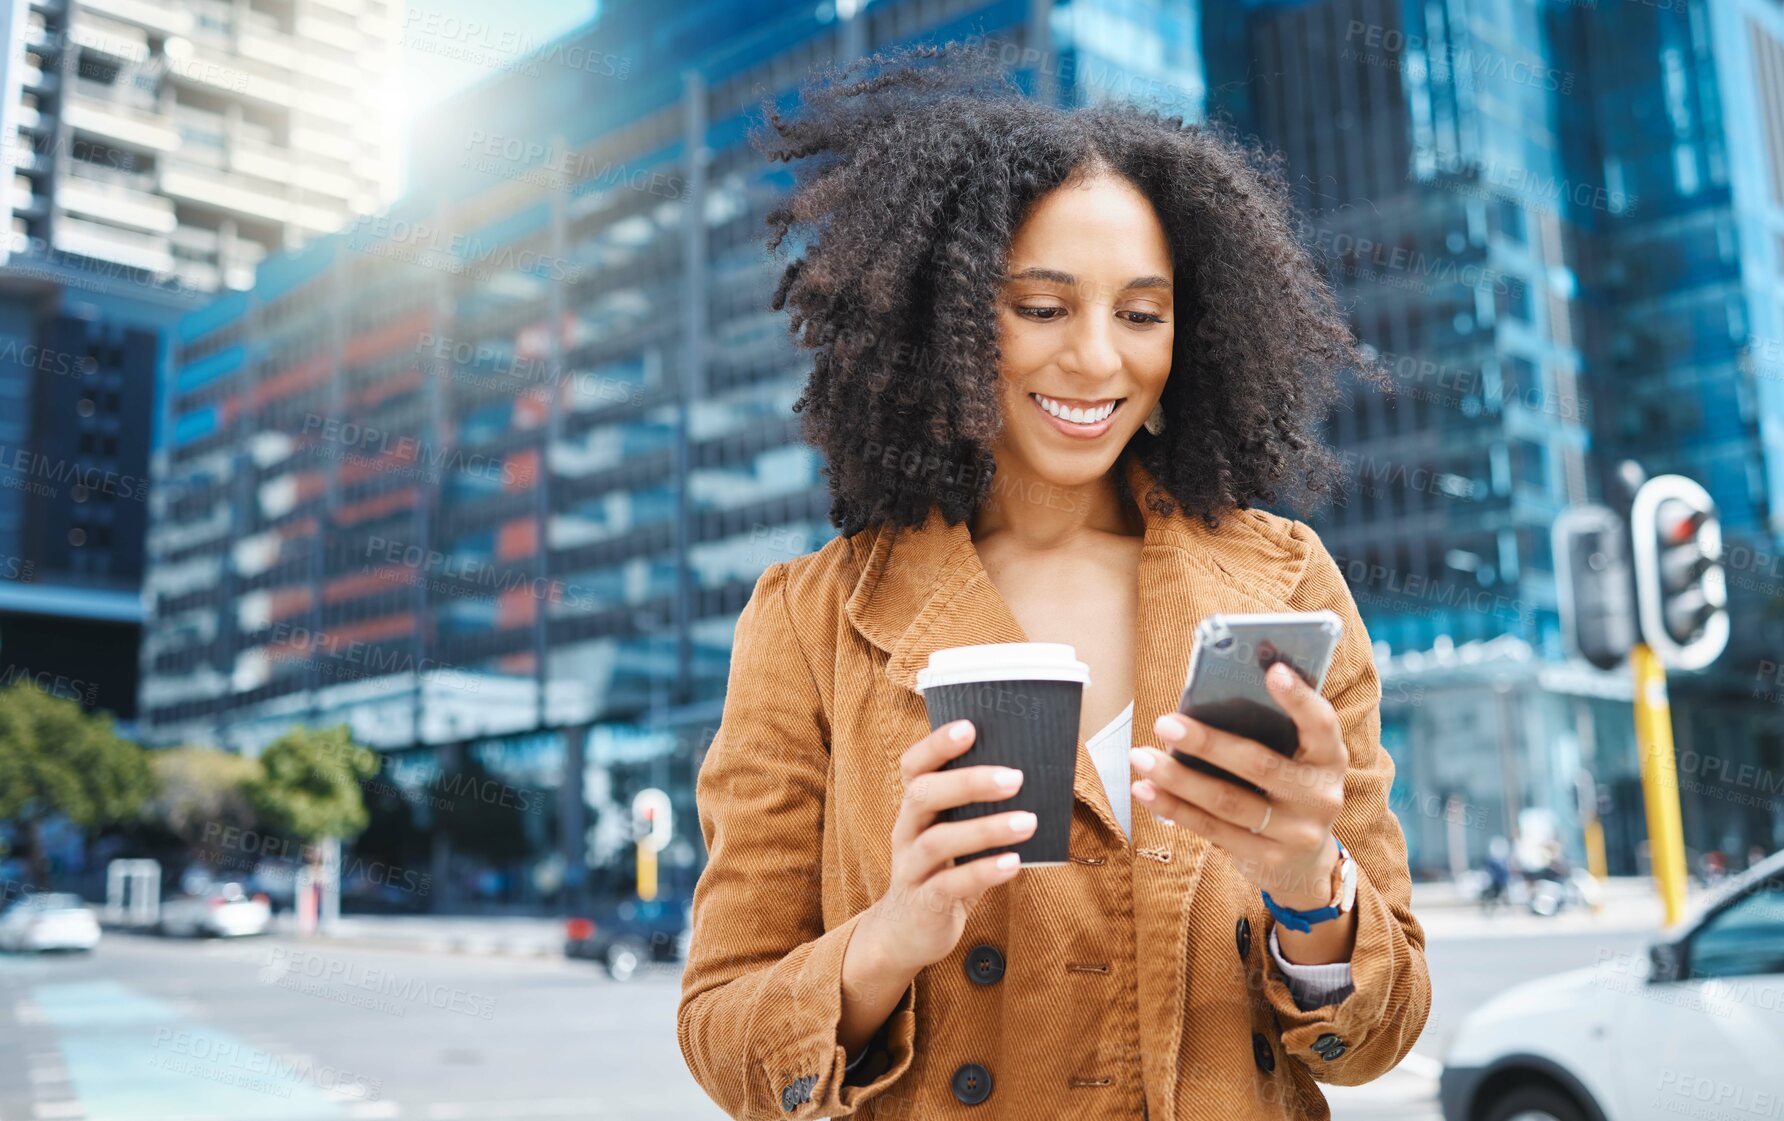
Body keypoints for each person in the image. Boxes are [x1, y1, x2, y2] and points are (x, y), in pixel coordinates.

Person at [677, 42, 1431, 1121]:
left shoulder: (1283, 585)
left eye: (1139, 313)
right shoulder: (812, 620)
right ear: (946, 325)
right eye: (1039, 306)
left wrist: (1308, 882)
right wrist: (889, 938)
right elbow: (722, 1030)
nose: (1094, 359)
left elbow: (1377, 1037)